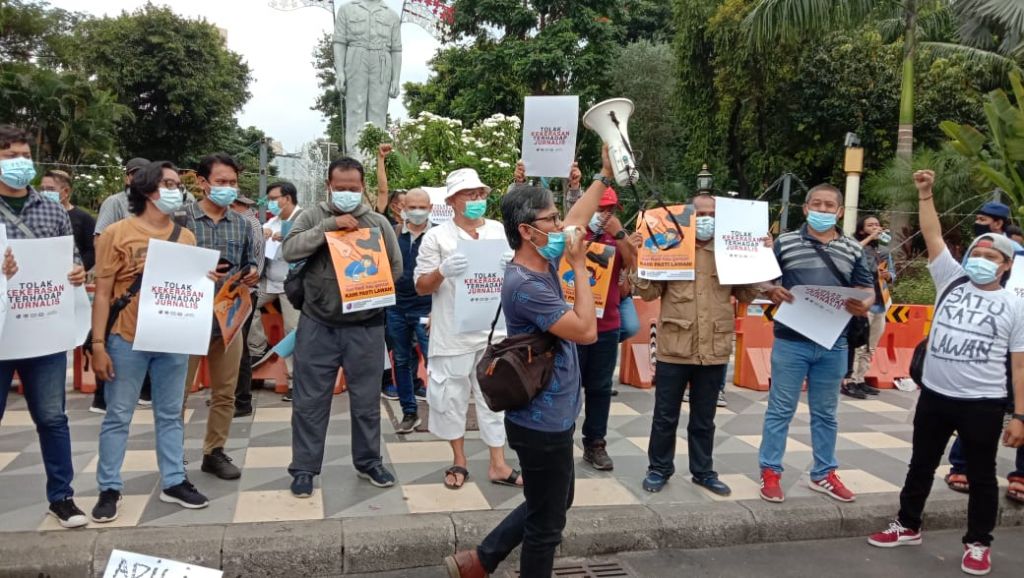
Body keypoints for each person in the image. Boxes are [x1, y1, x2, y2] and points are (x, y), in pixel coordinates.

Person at [444, 146, 613, 578]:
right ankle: (485, 561)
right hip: (540, 421)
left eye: (557, 217)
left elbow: (577, 218)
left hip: (553, 413)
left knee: (554, 500)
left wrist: (603, 177)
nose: (561, 226)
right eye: (550, 221)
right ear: (526, 230)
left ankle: (480, 560)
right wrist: (579, 264)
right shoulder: (526, 283)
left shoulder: (541, 257)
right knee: (547, 522)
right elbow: (587, 331)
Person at [867, 170, 1024, 577]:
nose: (982, 260)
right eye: (978, 252)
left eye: (992, 257)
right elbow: (933, 234)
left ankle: (977, 543)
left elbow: (1020, 365)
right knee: (921, 463)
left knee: (982, 476)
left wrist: (1021, 415)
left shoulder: (1016, 306)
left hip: (983, 404)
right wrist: (925, 195)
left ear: (1006, 265)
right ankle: (908, 523)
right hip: (935, 395)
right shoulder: (951, 279)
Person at [89, 161, 213, 522]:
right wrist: (98, 344)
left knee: (171, 413)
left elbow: (189, 288)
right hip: (126, 339)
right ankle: (109, 487)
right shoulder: (117, 233)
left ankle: (174, 480)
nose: (176, 191)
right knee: (118, 415)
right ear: (146, 190)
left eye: (178, 185)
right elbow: (103, 294)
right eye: (168, 184)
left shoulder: (186, 237)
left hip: (172, 338)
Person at [282, 156, 402, 496]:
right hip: (317, 324)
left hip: (365, 327)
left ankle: (369, 462)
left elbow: (395, 269)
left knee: (366, 400)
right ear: (328, 187)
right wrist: (329, 229)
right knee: (309, 401)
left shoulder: (377, 222)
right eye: (340, 188)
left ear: (362, 187)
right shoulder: (312, 217)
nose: (347, 193)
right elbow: (289, 250)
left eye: (353, 188)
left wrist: (369, 286)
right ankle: (304, 468)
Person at [632, 194, 762, 496]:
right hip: (674, 348)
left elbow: (746, 296)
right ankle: (659, 468)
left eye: (712, 213)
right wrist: (638, 256)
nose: (706, 219)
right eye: (700, 213)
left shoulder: (731, 252)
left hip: (713, 349)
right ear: (688, 216)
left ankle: (703, 471)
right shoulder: (671, 247)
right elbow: (649, 293)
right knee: (665, 416)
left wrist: (758, 257)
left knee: (705, 418)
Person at [758, 184, 874, 503]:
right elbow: (762, 277)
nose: (823, 210)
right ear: (806, 208)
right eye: (817, 205)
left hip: (833, 343)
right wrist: (771, 290)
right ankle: (770, 472)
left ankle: (823, 473)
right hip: (791, 340)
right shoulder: (786, 242)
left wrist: (864, 303)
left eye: (829, 206)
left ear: (839, 212)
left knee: (826, 413)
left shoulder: (852, 249)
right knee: (780, 409)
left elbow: (867, 289)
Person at [0, 124, 89, 528]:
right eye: (10, 157)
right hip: (3, 333)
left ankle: (62, 497)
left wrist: (75, 270)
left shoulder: (51, 208)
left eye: (24, 156)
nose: (20, 164)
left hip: (43, 330)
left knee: (53, 417)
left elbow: (69, 257)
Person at [414, 168, 521, 490]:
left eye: (480, 194)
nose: (476, 200)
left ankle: (498, 464)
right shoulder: (437, 237)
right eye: (469, 194)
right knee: (450, 397)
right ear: (452, 200)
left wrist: (511, 266)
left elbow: (520, 275)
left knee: (494, 398)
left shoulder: (499, 231)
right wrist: (443, 271)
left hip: (494, 332)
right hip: (452, 333)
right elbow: (421, 285)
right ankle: (459, 461)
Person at [181, 153, 259, 480]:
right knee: (177, 395)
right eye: (221, 182)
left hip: (227, 319)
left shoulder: (243, 223)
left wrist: (251, 272)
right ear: (202, 182)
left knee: (225, 392)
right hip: (184, 317)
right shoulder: (180, 219)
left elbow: (249, 262)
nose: (227, 188)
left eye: (232, 183)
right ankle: (171, 458)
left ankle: (214, 452)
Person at [575, 186, 636, 471]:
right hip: (573, 324)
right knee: (567, 386)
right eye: (600, 209)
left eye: (610, 210)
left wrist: (620, 233)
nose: (604, 214)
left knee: (599, 388)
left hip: (607, 324)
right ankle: (561, 440)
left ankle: (595, 443)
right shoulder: (575, 231)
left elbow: (633, 262)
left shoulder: (618, 237)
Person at [248, 181, 303, 402]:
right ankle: (258, 348)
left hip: (293, 284)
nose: (270, 203)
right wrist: (262, 234)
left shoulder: (303, 219)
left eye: (273, 198)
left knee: (294, 330)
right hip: (268, 282)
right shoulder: (273, 220)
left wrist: (288, 239)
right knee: (244, 305)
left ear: (287, 198)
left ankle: (295, 380)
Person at [388, 188, 433, 433]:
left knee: (434, 361)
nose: (416, 212)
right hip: (396, 308)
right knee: (402, 360)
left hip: (428, 309)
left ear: (431, 209)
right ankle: (409, 412)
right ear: (402, 208)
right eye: (411, 207)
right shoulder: (392, 235)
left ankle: (441, 412)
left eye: (421, 207)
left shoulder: (439, 236)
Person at [842, 214, 896, 399]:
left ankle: (860, 379)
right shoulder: (857, 247)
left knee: (871, 347)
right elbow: (850, 253)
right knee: (858, 343)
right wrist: (870, 238)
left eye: (877, 225)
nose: (875, 227)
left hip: (881, 302)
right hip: (862, 302)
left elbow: (893, 275)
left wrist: (889, 275)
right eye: (870, 225)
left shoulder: (883, 252)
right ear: (862, 229)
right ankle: (849, 381)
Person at [229, 194, 266, 418]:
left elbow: (251, 262)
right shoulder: (249, 222)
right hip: (238, 292)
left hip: (242, 291)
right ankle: (230, 395)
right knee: (230, 345)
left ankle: (242, 400)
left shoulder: (247, 225)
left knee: (238, 347)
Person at [39, 169, 95, 271]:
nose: (44, 193)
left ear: (66, 191)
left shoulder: (84, 219)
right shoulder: (36, 216)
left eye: (50, 189)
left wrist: (79, 269)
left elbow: (92, 251)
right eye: (42, 189)